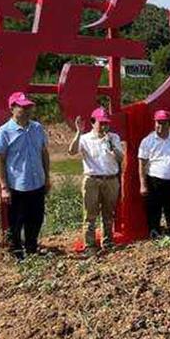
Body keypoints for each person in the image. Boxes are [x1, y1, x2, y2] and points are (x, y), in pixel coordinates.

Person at [0, 92, 50, 258]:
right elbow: (0, 160)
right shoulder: (4, 132)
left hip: (37, 182)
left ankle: (32, 248)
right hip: (17, 185)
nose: (26, 110)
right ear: (12, 108)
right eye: (22, 107)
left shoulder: (37, 128)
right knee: (17, 221)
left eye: (28, 107)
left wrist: (46, 177)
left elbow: (44, 153)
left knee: (36, 218)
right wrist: (4, 187)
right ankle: (17, 252)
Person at [68, 107, 123, 251]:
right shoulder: (85, 138)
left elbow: (120, 158)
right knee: (90, 215)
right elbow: (72, 152)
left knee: (108, 214)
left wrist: (112, 146)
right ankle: (90, 245)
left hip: (110, 179)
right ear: (93, 122)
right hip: (92, 180)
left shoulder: (114, 137)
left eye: (106, 123)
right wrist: (79, 132)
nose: (104, 126)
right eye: (101, 123)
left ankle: (108, 242)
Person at [138, 110, 170, 237]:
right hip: (154, 180)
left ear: (169, 124)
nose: (160, 126)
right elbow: (142, 164)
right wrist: (143, 184)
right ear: (154, 123)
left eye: (164, 123)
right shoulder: (147, 141)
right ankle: (154, 233)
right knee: (154, 209)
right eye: (158, 123)